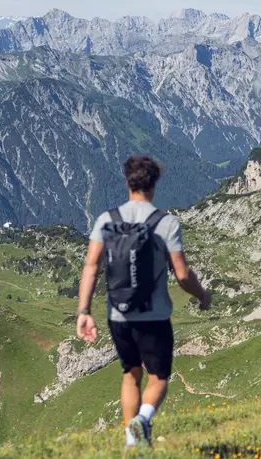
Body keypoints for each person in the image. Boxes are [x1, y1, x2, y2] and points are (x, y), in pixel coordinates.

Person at [76, 156, 212, 449]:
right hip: (154, 316)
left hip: (119, 315)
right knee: (159, 378)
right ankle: (143, 420)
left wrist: (84, 311)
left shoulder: (106, 220)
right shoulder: (165, 223)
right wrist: (202, 295)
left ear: (127, 183)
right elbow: (183, 275)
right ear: (154, 185)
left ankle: (131, 444)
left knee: (130, 374)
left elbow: (90, 266)